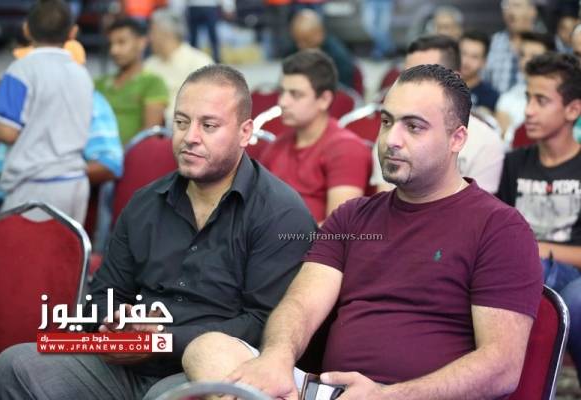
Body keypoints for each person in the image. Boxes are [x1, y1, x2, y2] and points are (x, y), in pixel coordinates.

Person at [182, 64, 543, 399]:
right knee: (208, 349)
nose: (391, 139)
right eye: (387, 122)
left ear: (457, 138)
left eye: (413, 127)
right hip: (330, 392)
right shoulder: (353, 217)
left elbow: (501, 367)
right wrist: (277, 356)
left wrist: (387, 396)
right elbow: (301, 305)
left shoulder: (500, 228)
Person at [0, 64, 316, 399]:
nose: (190, 137)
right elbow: (102, 295)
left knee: (167, 396)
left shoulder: (279, 213)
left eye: (208, 125)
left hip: (205, 367)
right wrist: (114, 321)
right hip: (125, 365)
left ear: (245, 133)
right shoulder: (145, 203)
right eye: (181, 122)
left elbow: (263, 325)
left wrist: (161, 340)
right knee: (14, 366)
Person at [497, 52, 581, 386]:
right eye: (528, 98)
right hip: (519, 267)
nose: (528, 110)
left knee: (575, 298)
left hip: (569, 275)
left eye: (541, 101)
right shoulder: (515, 162)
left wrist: (536, 248)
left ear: (573, 110)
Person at [0, 0, 93, 224]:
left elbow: (8, 133)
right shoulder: (82, 74)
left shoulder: (20, 70)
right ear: (73, 32)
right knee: (67, 247)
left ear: (26, 29)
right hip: (76, 183)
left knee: (21, 247)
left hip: (34, 186)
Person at [371, 35, 505, 194]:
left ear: (454, 79)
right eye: (407, 76)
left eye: (423, 76)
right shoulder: (392, 135)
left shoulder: (485, 142)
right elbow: (385, 199)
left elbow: (479, 206)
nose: (410, 85)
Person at [259, 49, 371, 224]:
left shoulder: (347, 149)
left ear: (324, 100)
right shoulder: (276, 146)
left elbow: (340, 228)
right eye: (282, 92)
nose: (283, 102)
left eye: (296, 94)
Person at [95, 17, 168, 144]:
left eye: (121, 42)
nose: (114, 50)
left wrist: (118, 153)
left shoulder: (153, 83)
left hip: (133, 154)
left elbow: (150, 133)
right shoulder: (99, 83)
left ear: (141, 43)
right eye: (111, 44)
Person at [144, 9, 213, 126]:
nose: (149, 38)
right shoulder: (149, 65)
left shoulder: (199, 63)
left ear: (166, 34)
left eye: (152, 32)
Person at [494, 31, 555, 144]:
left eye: (534, 57)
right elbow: (501, 141)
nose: (525, 61)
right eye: (522, 55)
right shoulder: (508, 97)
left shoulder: (558, 99)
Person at [289, 9, 357, 91]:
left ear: (319, 34)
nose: (300, 45)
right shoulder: (293, 51)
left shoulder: (337, 56)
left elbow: (343, 89)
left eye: (306, 41)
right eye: (297, 41)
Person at [484, 0, 538, 94]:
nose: (510, 12)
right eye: (506, 6)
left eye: (517, 6)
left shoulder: (545, 45)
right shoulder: (493, 42)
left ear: (532, 11)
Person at [459, 30, 500, 113]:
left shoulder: (491, 97)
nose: (466, 61)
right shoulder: (441, 87)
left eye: (474, 57)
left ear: (484, 62)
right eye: (463, 53)